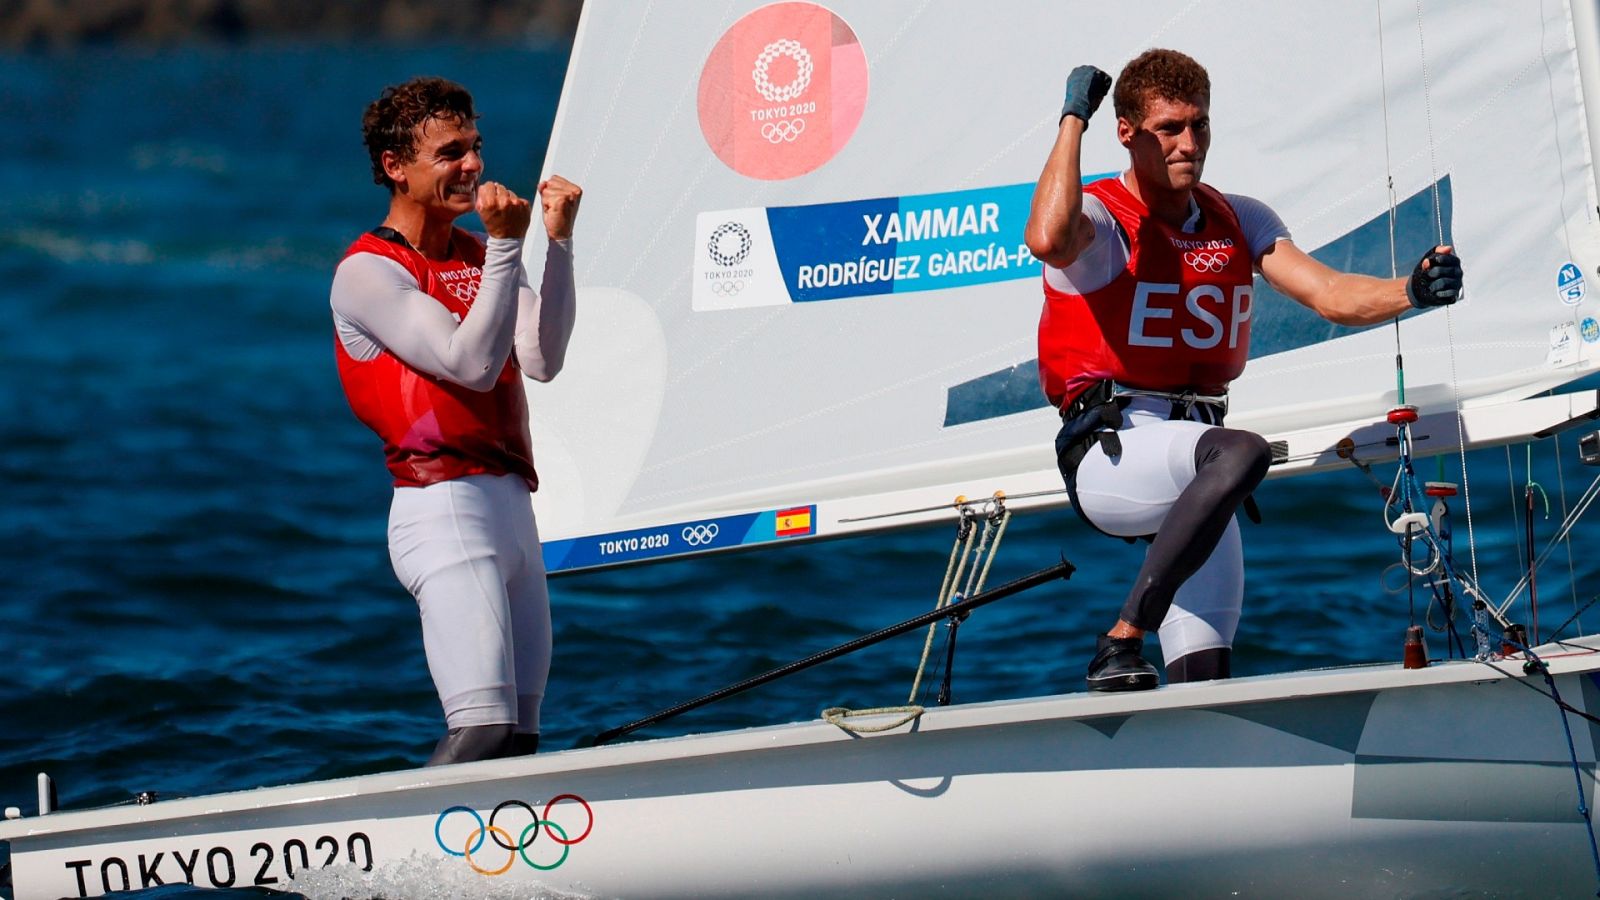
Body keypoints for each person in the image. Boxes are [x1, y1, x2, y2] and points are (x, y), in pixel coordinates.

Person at [1024, 50, 1462, 692]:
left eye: (1199, 125)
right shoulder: (1102, 219)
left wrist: (1414, 291)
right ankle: (1121, 637)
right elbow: (1046, 239)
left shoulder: (1239, 218)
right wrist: (1072, 118)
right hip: (1114, 452)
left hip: (1200, 472)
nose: (1189, 143)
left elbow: (1330, 294)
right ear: (1128, 132)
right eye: (1169, 128)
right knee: (1243, 454)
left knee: (1207, 677)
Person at [330, 76, 581, 762]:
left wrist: (554, 245)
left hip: (512, 515)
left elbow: (542, 356)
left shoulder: (477, 253)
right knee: (484, 729)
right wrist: (506, 246)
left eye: (474, 147)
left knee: (521, 739)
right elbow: (467, 364)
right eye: (448, 152)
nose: (471, 164)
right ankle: (399, 864)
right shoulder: (368, 273)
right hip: (443, 513)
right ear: (395, 168)